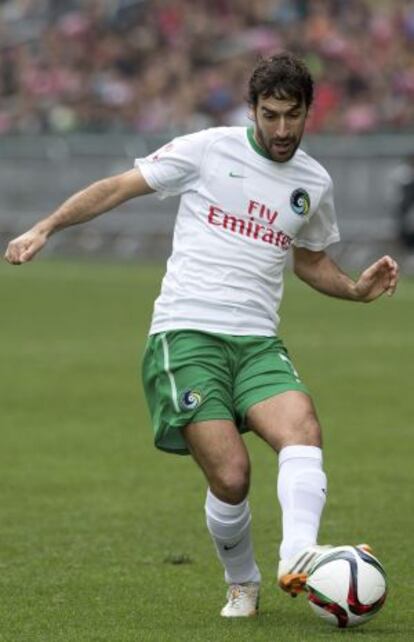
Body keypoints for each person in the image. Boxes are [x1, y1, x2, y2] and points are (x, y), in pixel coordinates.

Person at [5, 52, 399, 618]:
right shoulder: (208, 150)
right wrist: (45, 227)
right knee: (233, 477)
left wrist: (357, 290)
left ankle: (299, 555)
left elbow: (311, 262)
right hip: (186, 335)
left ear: (310, 111)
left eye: (293, 116)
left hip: (258, 341)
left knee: (303, 429)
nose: (282, 129)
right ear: (253, 110)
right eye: (270, 115)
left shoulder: (314, 182)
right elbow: (118, 187)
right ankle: (243, 580)